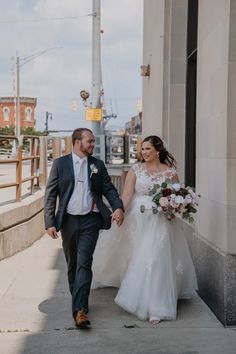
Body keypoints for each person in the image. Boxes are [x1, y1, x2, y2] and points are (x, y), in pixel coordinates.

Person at [92, 135, 198, 324]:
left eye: (148, 149)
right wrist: (119, 210)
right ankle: (139, 294)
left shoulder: (170, 172)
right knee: (137, 258)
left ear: (158, 150)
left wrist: (175, 208)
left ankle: (156, 306)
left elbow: (176, 195)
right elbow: (126, 194)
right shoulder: (136, 169)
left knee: (156, 259)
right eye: (142, 149)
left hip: (161, 221)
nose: (144, 152)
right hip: (138, 219)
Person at [44, 128, 124, 329]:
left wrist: (118, 207)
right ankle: (79, 301)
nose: (92, 145)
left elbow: (109, 189)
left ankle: (79, 311)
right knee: (72, 264)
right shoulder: (60, 164)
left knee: (84, 262)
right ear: (77, 142)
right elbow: (51, 194)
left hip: (91, 220)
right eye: (89, 141)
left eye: (92, 142)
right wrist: (50, 222)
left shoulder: (97, 165)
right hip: (68, 221)